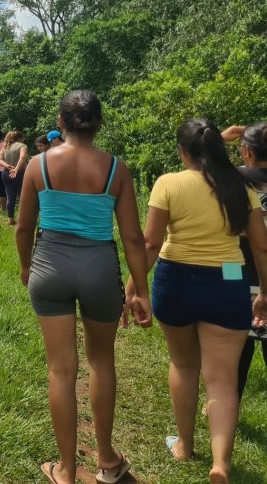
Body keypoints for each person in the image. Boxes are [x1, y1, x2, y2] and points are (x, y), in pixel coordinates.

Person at [15, 90, 152, 484]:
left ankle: (67, 471)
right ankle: (107, 461)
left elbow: (24, 227)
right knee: (101, 362)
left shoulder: (39, 165)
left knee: (60, 369)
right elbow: (132, 238)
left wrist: (27, 267)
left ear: (60, 120)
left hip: (50, 267)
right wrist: (140, 290)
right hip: (98, 269)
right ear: (99, 123)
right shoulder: (116, 169)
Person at [133, 120, 267, 484]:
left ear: (182, 152)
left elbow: (150, 243)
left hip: (175, 280)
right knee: (222, 379)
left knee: (183, 363)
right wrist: (265, 293)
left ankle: (185, 447)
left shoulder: (168, 183)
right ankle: (221, 462)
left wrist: (134, 287)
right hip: (227, 282)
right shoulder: (241, 188)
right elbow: (260, 245)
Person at [225, 123, 267, 400]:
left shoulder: (235, 178)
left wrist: (218, 139)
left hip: (234, 266)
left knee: (235, 339)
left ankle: (229, 402)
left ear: (248, 152)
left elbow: (195, 163)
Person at [0, 130, 28, 226]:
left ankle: (10, 219)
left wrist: (7, 166)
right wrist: (16, 169)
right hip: (19, 173)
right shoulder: (22, 146)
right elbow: (22, 157)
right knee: (23, 197)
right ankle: (23, 220)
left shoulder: (6, 146)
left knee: (10, 197)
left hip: (6, 173)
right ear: (20, 138)